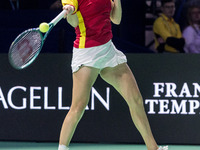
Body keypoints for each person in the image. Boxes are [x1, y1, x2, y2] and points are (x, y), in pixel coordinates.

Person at [58, 0, 168, 150]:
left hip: (108, 50)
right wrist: (70, 12)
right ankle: (62, 148)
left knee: (136, 99)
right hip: (87, 53)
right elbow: (73, 22)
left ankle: (153, 148)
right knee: (78, 107)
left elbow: (116, 19)